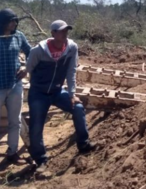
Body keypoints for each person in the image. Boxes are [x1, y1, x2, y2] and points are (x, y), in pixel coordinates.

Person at [26, 20, 95, 173]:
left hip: (57, 91)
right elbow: (29, 67)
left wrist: (72, 94)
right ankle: (41, 160)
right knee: (36, 126)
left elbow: (71, 72)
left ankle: (84, 144)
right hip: (39, 93)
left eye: (66, 31)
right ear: (53, 33)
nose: (64, 34)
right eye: (61, 31)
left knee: (77, 107)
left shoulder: (71, 48)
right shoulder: (38, 51)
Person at [0, 9, 31, 166]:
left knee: (15, 122)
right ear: (1, 21)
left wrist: (26, 68)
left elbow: (31, 52)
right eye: (10, 20)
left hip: (14, 85)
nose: (14, 23)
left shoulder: (18, 36)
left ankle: (12, 153)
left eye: (15, 20)